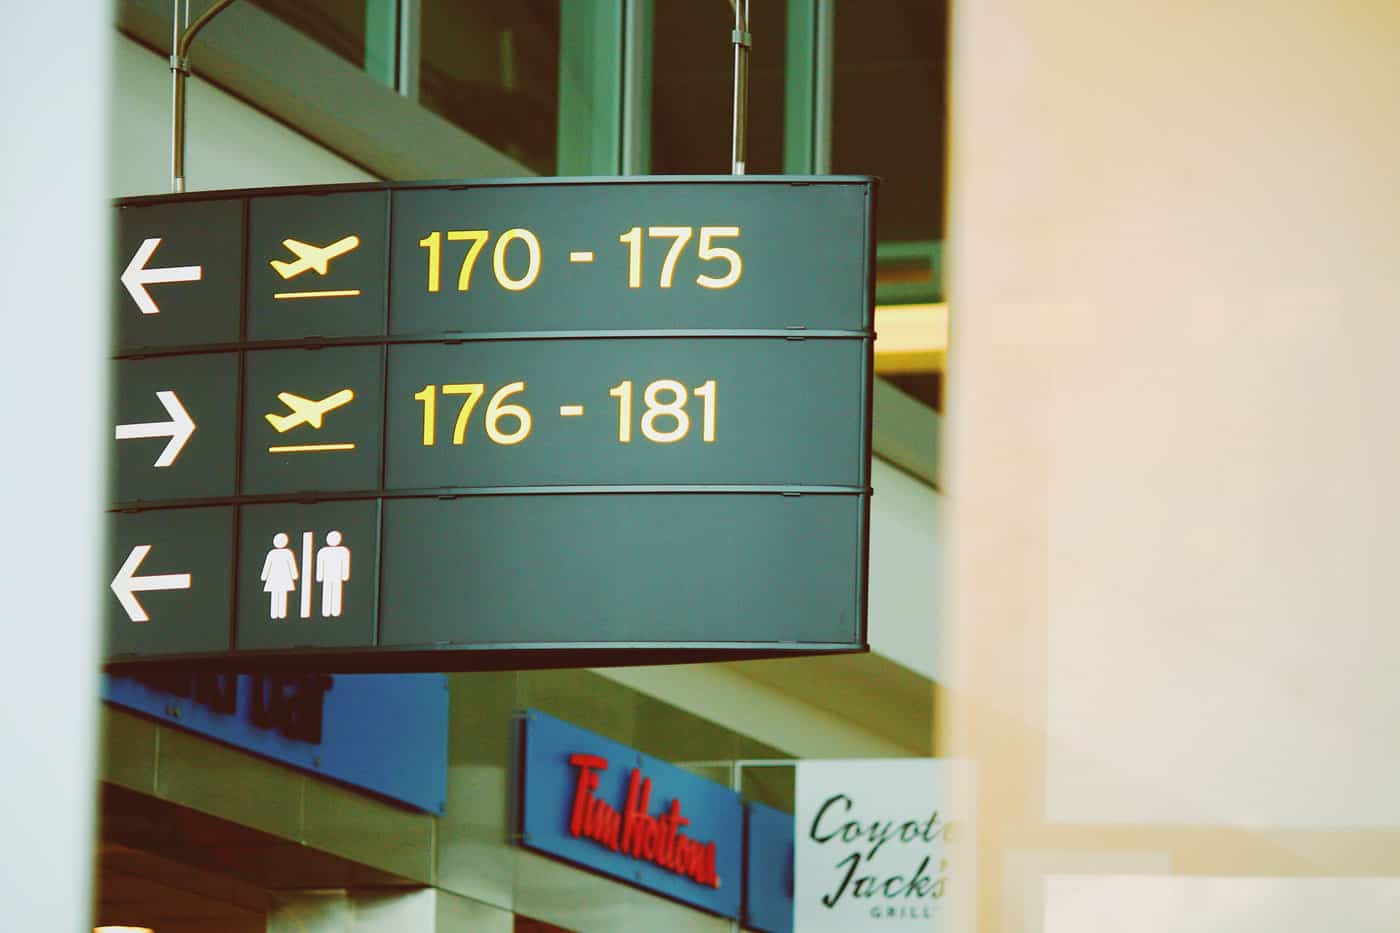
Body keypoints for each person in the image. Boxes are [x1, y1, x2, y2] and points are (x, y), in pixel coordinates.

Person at [261, 532, 298, 619]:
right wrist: (264, 576)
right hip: (276, 578)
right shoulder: (273, 553)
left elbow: (291, 565)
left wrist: (294, 575)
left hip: (282, 578)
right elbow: (267, 565)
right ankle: (275, 614)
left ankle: (280, 614)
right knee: (277, 596)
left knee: (281, 596)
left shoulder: (287, 553)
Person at [315, 530, 351, 618]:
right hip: (327, 576)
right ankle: (326, 611)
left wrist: (345, 576)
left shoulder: (343, 551)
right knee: (327, 593)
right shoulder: (323, 551)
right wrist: (319, 576)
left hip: (337, 577)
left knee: (336, 592)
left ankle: (335, 611)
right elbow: (320, 565)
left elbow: (345, 564)